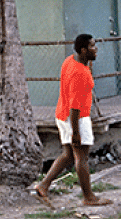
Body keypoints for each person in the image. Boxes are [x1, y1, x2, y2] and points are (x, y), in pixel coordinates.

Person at [32, 34, 113, 208]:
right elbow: (75, 106)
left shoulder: (70, 61)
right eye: (92, 46)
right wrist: (76, 132)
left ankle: (43, 186)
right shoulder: (80, 73)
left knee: (68, 154)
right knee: (81, 157)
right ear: (83, 50)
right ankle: (89, 197)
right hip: (76, 117)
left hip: (62, 113)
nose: (96, 49)